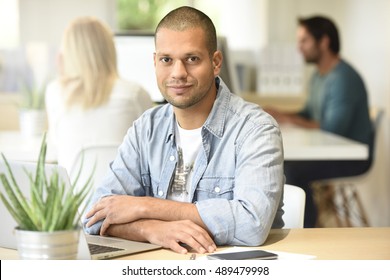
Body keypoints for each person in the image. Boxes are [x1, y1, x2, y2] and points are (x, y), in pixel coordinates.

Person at [83, 6, 284, 254]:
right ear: (155, 61)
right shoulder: (146, 128)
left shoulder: (255, 129)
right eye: (166, 60)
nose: (178, 73)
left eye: (192, 59)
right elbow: (95, 216)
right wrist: (152, 231)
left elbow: (252, 223)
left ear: (216, 62)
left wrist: (146, 207)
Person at [265, 16, 373, 227]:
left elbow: (332, 128)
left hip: (349, 158)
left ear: (323, 41)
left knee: (292, 170)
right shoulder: (319, 75)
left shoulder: (343, 79)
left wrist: (288, 118)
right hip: (332, 152)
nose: (299, 48)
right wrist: (281, 113)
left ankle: (305, 230)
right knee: (284, 163)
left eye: (304, 41)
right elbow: (307, 113)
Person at [45, 16, 153, 172]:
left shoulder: (55, 92)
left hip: (74, 196)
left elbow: (56, 143)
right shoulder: (135, 94)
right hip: (126, 196)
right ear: (109, 50)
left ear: (67, 54)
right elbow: (151, 148)